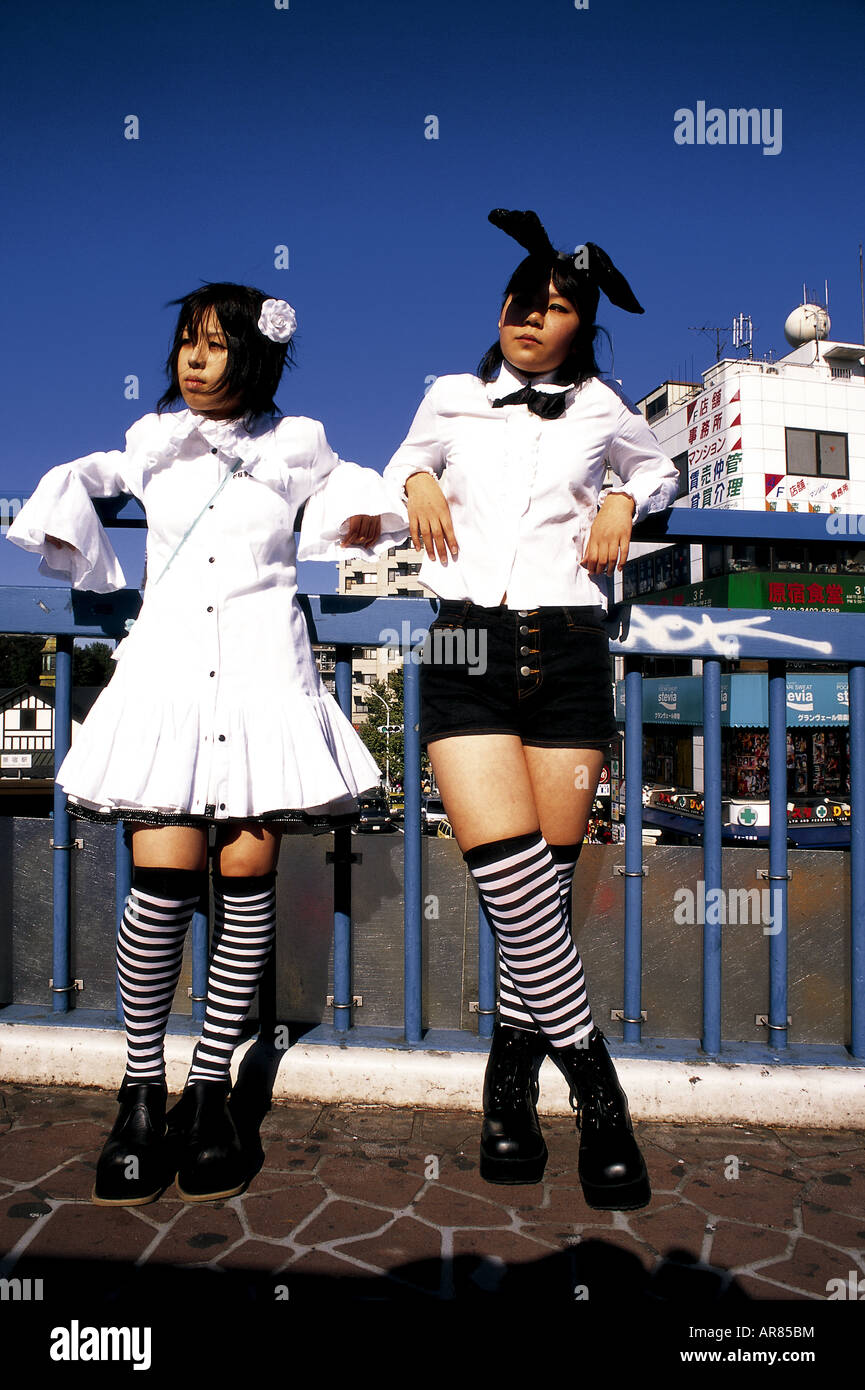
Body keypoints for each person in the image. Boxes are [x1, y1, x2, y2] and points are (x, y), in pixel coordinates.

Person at [8, 283, 405, 1205]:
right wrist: (71, 520)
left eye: (216, 344)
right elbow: (92, 475)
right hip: (170, 679)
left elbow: (351, 487)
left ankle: (211, 1092)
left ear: (254, 358)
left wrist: (364, 511)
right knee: (158, 888)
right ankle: (140, 1093)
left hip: (266, 676)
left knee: (245, 885)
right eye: (186, 341)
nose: (193, 358)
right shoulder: (153, 440)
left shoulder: (297, 440)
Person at [384, 210, 679, 1211]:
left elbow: (656, 465)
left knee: (541, 898)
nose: (530, 317)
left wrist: (623, 502)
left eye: (554, 308)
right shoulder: (451, 394)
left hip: (566, 648)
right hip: (465, 638)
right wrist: (421, 475)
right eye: (522, 301)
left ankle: (508, 1088)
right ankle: (600, 1098)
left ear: (578, 327)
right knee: (513, 888)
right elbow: (399, 469)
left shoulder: (602, 406)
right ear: (500, 308)